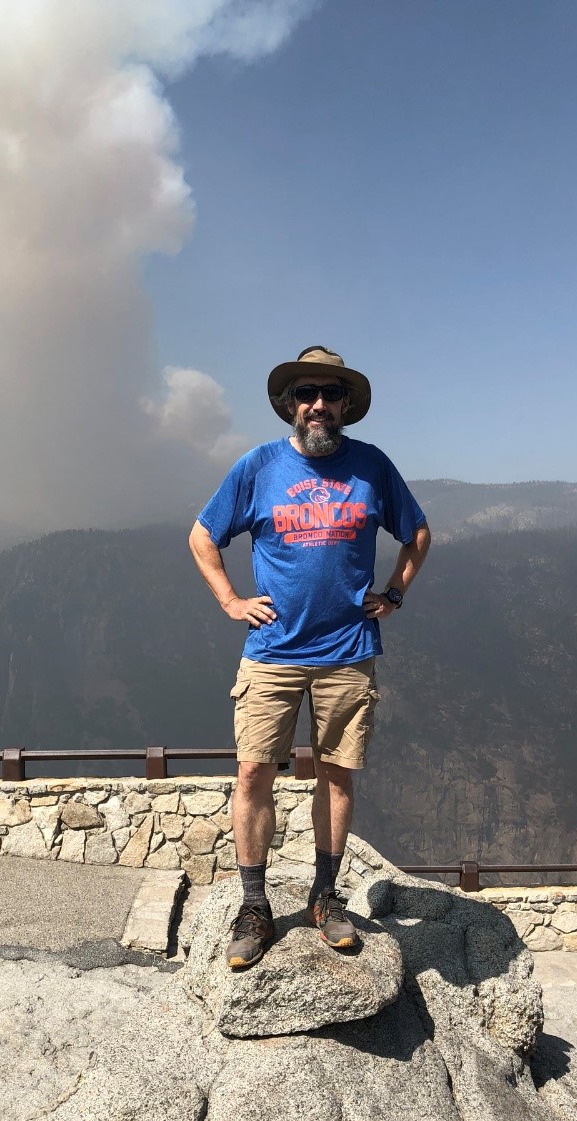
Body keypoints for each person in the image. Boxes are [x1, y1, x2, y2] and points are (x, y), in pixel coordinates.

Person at [189, 346, 431, 969]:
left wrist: (395, 594)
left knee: (337, 773)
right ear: (291, 404)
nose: (317, 404)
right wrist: (231, 601)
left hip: (347, 653)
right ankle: (254, 905)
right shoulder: (258, 465)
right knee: (252, 774)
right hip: (271, 651)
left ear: (346, 404)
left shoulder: (371, 467)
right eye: (306, 394)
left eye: (329, 393)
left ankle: (327, 897)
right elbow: (202, 535)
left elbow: (418, 532)